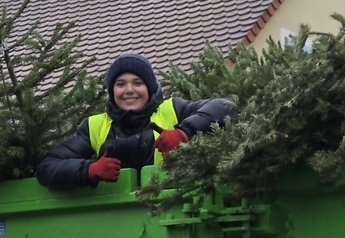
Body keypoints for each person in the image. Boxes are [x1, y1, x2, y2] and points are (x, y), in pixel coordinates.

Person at [36, 52, 234, 190]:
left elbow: (226, 105)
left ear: (149, 88)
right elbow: (47, 167)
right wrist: (89, 169)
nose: (129, 90)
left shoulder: (174, 110)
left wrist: (185, 132)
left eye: (137, 83)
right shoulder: (93, 127)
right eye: (120, 84)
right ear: (112, 91)